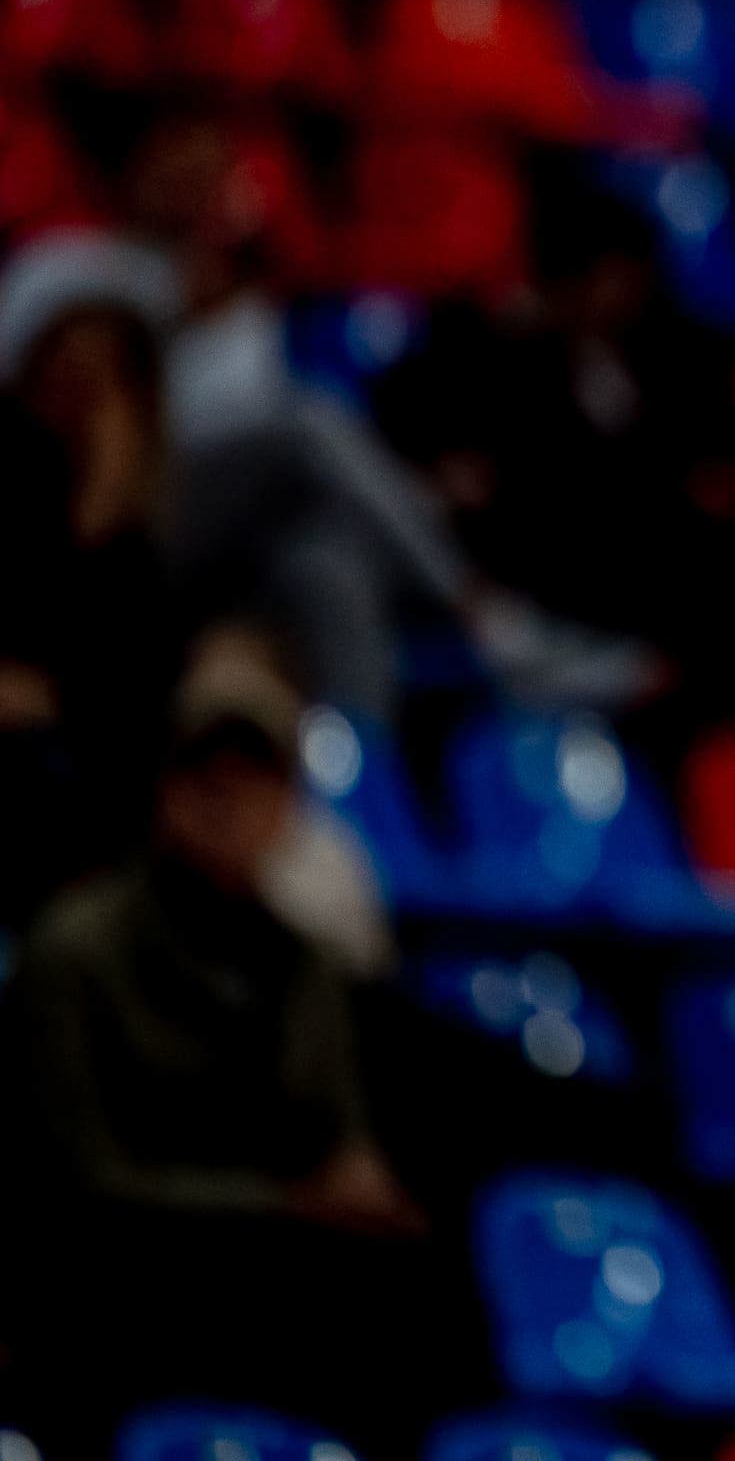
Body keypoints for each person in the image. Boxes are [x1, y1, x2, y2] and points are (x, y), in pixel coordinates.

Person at [0, 622, 483, 1457]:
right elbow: (84, 1179)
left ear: (289, 807)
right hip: (118, 1267)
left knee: (418, 1286)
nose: (227, 800)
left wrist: (360, 1186)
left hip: (261, 1270)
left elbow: (340, 1143)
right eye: (204, 775)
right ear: (164, 790)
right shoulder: (75, 949)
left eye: (256, 778)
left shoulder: (305, 965)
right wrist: (289, 1203)